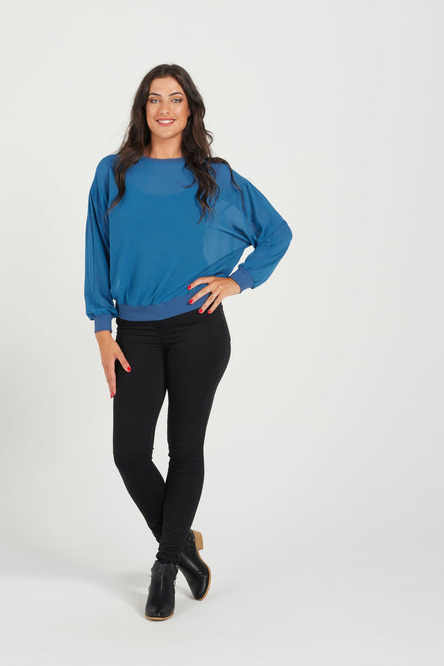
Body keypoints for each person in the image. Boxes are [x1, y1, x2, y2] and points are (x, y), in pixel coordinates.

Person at [84, 64, 293, 621]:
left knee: (185, 448)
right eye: (154, 99)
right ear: (142, 109)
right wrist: (102, 328)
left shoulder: (216, 177)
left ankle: (164, 566)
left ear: (191, 109)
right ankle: (185, 552)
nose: (165, 109)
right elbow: (96, 250)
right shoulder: (113, 173)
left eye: (175, 99)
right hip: (134, 333)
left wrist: (238, 280)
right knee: (130, 453)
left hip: (198, 329)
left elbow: (277, 233)